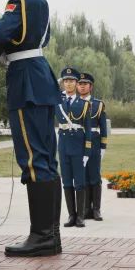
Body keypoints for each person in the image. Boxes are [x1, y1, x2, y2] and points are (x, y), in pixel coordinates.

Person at [0, 0, 61, 257]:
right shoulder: (41, 0)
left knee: (32, 158)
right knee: (46, 158)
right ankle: (50, 235)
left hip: (26, 80)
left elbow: (1, 35)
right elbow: (39, 37)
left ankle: (41, 237)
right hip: (39, 76)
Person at [56, 67, 92, 229]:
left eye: (71, 81)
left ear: (76, 83)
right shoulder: (58, 102)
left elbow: (88, 130)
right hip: (63, 146)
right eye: (66, 81)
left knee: (79, 182)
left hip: (78, 147)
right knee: (66, 182)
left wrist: (87, 152)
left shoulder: (84, 104)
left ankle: (81, 216)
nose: (68, 84)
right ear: (63, 83)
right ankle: (71, 215)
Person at [77, 72, 106, 221]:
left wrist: (103, 147)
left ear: (91, 86)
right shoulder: (73, 104)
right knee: (83, 176)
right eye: (80, 84)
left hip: (94, 142)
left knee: (94, 176)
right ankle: (86, 209)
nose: (82, 86)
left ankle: (96, 210)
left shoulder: (98, 104)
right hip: (78, 143)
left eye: (85, 84)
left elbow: (103, 127)